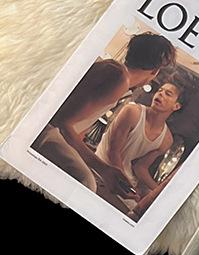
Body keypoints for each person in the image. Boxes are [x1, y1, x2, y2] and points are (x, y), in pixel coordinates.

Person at [31, 32, 176, 196]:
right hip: (44, 131)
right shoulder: (120, 79)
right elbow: (62, 123)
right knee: (86, 182)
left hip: (45, 128)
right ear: (155, 70)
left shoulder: (113, 70)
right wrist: (104, 169)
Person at [94, 80, 188, 214]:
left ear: (176, 106)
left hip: (125, 178)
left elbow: (140, 168)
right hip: (101, 168)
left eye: (168, 94)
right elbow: (113, 151)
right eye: (160, 90)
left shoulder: (166, 140)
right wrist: (126, 184)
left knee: (137, 212)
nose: (160, 94)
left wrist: (159, 191)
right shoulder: (132, 112)